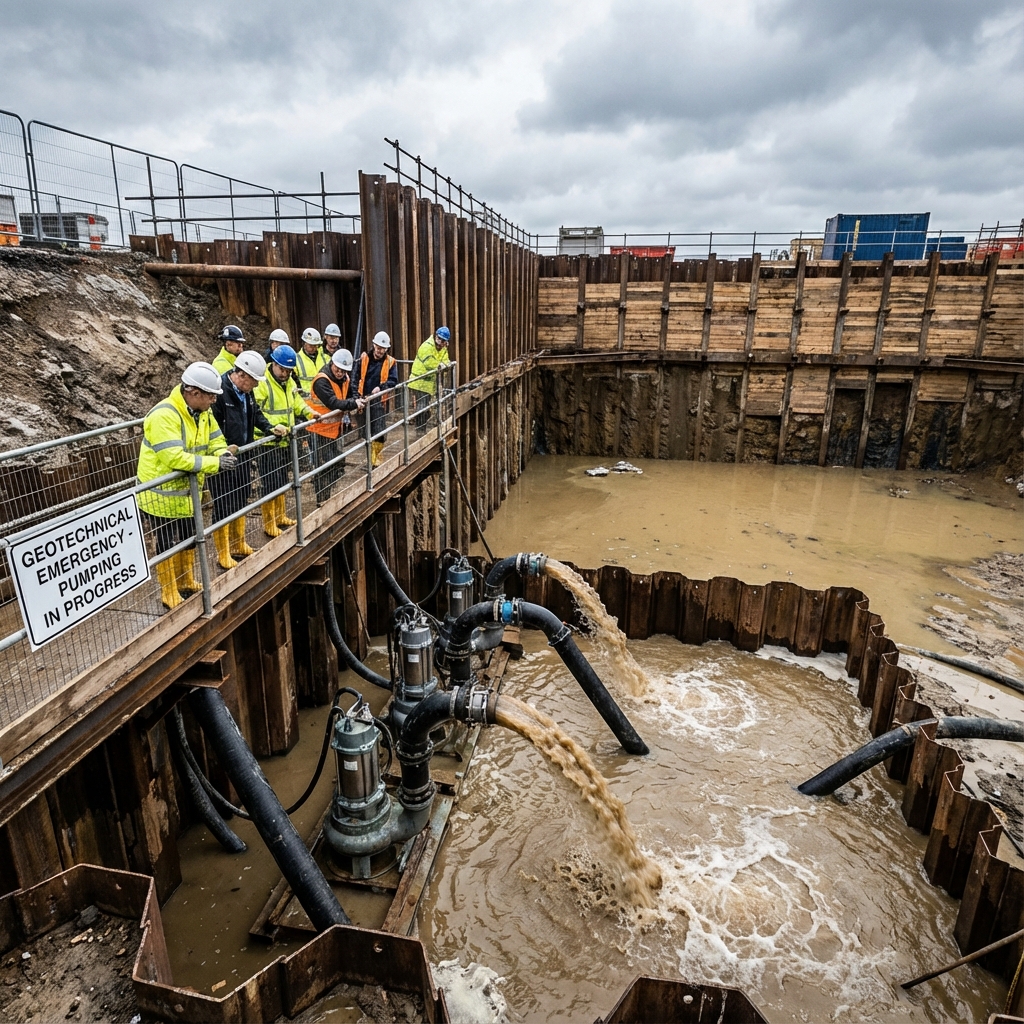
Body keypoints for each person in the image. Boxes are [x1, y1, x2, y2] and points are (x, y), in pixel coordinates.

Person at [136, 362, 232, 609]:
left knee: (190, 536)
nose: (214, 401)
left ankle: (186, 580)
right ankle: (168, 590)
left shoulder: (202, 412)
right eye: (210, 396)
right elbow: (174, 458)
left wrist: (223, 453)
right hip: (162, 497)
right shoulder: (164, 415)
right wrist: (215, 463)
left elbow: (216, 439)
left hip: (188, 493)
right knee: (167, 542)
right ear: (194, 393)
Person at [209, 351, 288, 569]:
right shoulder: (220, 392)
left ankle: (238, 543)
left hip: (244, 454)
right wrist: (221, 450)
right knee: (224, 505)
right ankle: (223, 552)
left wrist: (269, 428)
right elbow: (211, 426)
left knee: (241, 498)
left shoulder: (247, 393)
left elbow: (255, 414)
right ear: (241, 375)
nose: (254, 386)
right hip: (223, 459)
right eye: (253, 381)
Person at [253, 344, 317, 537]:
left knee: (282, 481)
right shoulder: (262, 384)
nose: (285, 373)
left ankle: (280, 516)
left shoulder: (288, 382)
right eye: (282, 369)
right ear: (273, 364)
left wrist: (308, 412)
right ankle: (269, 522)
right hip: (267, 442)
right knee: (270, 483)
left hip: (285, 440)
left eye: (289, 370)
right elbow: (256, 413)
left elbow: (295, 402)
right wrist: (273, 427)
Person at [306, 349, 366, 503]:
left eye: (343, 371)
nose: (340, 373)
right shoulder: (322, 381)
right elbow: (333, 403)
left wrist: (356, 401)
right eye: (337, 369)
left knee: (336, 464)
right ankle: (322, 499)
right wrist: (353, 403)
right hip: (319, 431)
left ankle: (328, 495)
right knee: (323, 467)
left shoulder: (344, 378)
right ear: (331, 364)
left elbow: (351, 394)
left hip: (334, 430)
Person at [356, 331, 398, 466]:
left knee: (379, 431)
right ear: (374, 345)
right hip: (364, 400)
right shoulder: (364, 359)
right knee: (366, 432)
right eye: (379, 347)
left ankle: (377, 459)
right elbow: (356, 377)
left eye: (383, 349)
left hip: (379, 401)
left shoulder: (390, 362)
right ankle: (370, 460)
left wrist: (380, 387)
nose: (380, 351)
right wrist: (356, 397)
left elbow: (393, 380)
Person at [408, 325, 451, 434]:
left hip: (429, 383)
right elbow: (429, 363)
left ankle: (418, 422)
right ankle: (420, 432)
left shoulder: (443, 349)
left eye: (443, 341)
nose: (440, 342)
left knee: (426, 407)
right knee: (422, 407)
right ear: (435, 336)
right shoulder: (427, 346)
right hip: (419, 381)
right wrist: (441, 366)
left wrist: (444, 365)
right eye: (439, 339)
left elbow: (447, 361)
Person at [295, 327, 326, 396]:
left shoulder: (324, 357)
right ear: (304, 344)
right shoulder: (297, 359)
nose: (314, 348)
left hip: (323, 396)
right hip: (306, 399)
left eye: (315, 345)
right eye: (311, 345)